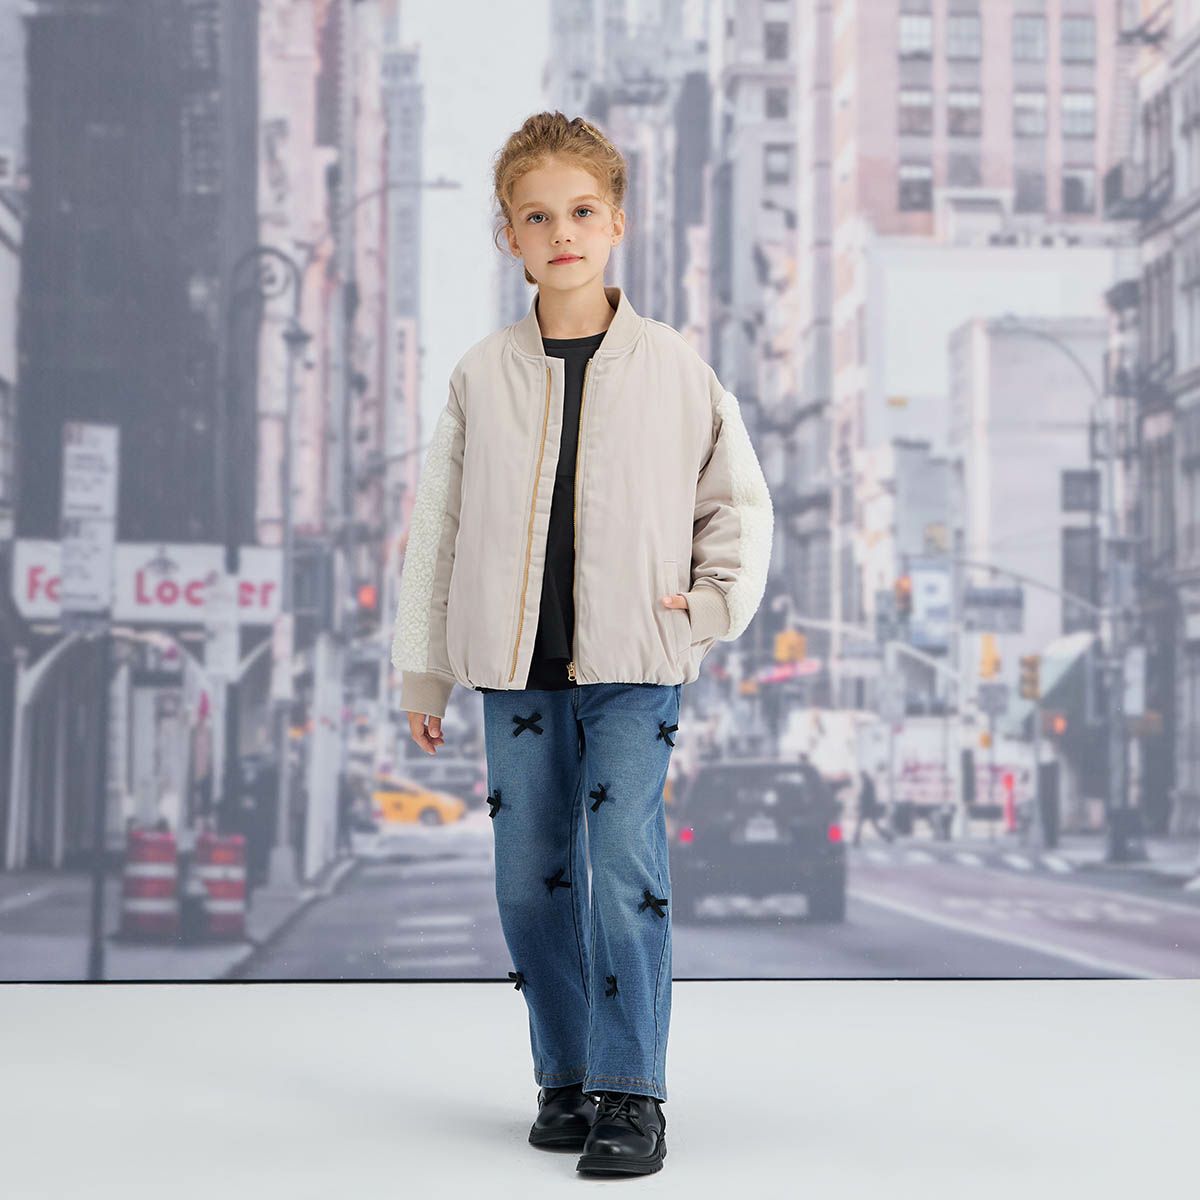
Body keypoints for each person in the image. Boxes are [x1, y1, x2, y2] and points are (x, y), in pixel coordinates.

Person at [390, 112, 773, 1178]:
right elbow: (439, 527)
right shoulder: (480, 376)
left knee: (625, 876)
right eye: (537, 216)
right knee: (528, 886)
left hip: (634, 667)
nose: (562, 232)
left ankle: (631, 1093)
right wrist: (423, 668)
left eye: (582, 211)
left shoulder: (676, 367)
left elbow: (737, 503)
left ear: (617, 224)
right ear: (509, 236)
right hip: (513, 672)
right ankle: (565, 1077)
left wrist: (707, 609)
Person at [852, 768, 895, 845]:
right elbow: (867, 796)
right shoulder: (868, 783)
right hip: (869, 808)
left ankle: (856, 840)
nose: (860, 778)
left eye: (861, 776)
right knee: (872, 826)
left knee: (863, 825)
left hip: (867, 809)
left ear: (863, 776)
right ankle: (888, 836)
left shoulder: (867, 783)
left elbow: (867, 797)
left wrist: (861, 800)